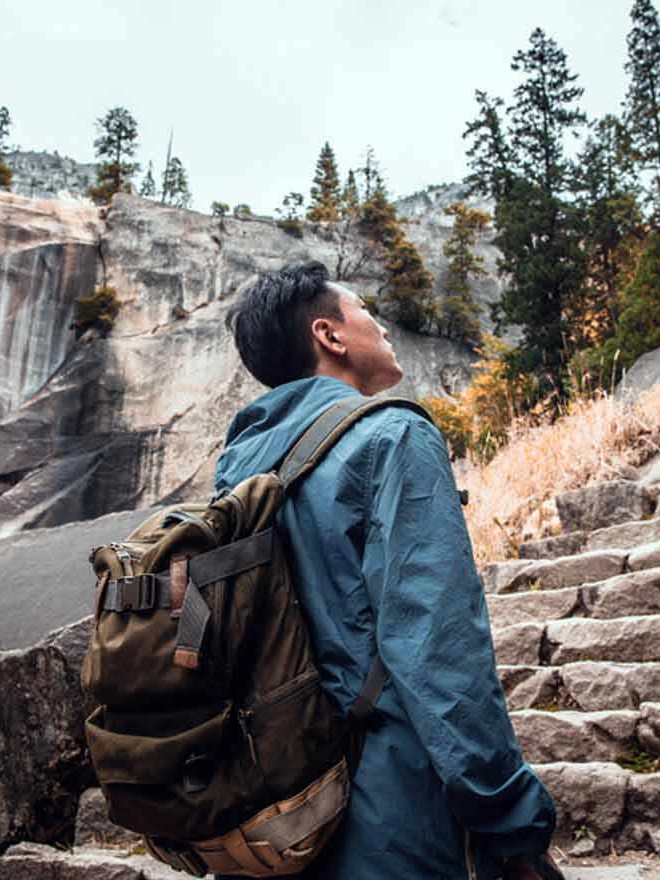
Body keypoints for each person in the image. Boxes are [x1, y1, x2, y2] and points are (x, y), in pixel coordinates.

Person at [215, 261, 560, 879]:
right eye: (366, 311)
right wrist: (511, 819)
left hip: (270, 812)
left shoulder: (237, 470)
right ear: (330, 335)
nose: (382, 325)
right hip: (386, 816)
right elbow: (438, 644)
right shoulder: (393, 436)